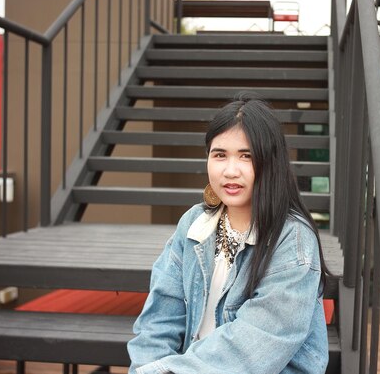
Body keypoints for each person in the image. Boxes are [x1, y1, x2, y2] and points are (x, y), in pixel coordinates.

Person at [128, 92, 330, 374]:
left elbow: (250, 349)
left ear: (271, 163)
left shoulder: (292, 239)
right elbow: (158, 322)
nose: (230, 171)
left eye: (246, 156)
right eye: (220, 155)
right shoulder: (194, 223)